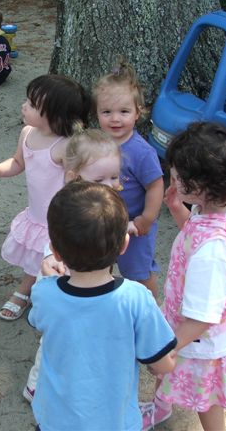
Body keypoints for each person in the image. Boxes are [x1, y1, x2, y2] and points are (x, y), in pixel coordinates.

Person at [141, 122, 226, 431]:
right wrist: (177, 207)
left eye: (178, 176)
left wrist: (168, 348)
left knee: (206, 400)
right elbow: (195, 232)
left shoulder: (214, 251)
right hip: (188, 322)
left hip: (200, 338)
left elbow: (203, 316)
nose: (172, 178)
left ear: (201, 186)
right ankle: (160, 409)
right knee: (167, 377)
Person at [29, 181, 177, 431]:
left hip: (55, 420)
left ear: (55, 251)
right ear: (124, 245)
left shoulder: (44, 292)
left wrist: (48, 277)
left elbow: (38, 319)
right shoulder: (135, 298)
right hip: (115, 421)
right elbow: (162, 364)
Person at [23, 127, 125, 402]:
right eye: (100, 179)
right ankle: (35, 385)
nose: (110, 185)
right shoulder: (68, 207)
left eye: (114, 176)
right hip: (63, 281)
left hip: (92, 279)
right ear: (73, 177)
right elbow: (55, 238)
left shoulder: (106, 202)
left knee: (83, 335)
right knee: (55, 340)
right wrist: (49, 258)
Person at [0, 74, 90, 321]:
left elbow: (78, 183)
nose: (24, 106)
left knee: (63, 262)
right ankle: (26, 289)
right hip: (37, 215)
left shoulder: (66, 146)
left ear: (55, 116)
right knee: (35, 257)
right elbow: (17, 162)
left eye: (32, 104)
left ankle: (65, 298)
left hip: (60, 220)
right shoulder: (27, 133)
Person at [93, 59, 164, 299]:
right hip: (102, 221)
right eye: (106, 112)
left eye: (123, 112)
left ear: (137, 113)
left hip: (134, 225)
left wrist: (147, 218)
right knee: (99, 266)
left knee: (137, 272)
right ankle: (106, 302)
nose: (115, 119)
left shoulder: (141, 152)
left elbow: (155, 185)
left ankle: (151, 309)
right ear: (97, 113)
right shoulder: (96, 145)